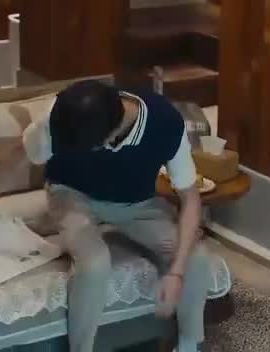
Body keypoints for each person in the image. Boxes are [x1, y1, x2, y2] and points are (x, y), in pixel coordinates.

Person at [23, 80, 210, 352]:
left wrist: (176, 273)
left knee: (197, 258)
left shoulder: (166, 123)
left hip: (136, 204)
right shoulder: (66, 109)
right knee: (95, 263)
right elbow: (31, 154)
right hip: (72, 195)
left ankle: (188, 346)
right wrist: (44, 130)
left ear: (110, 138)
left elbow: (190, 199)